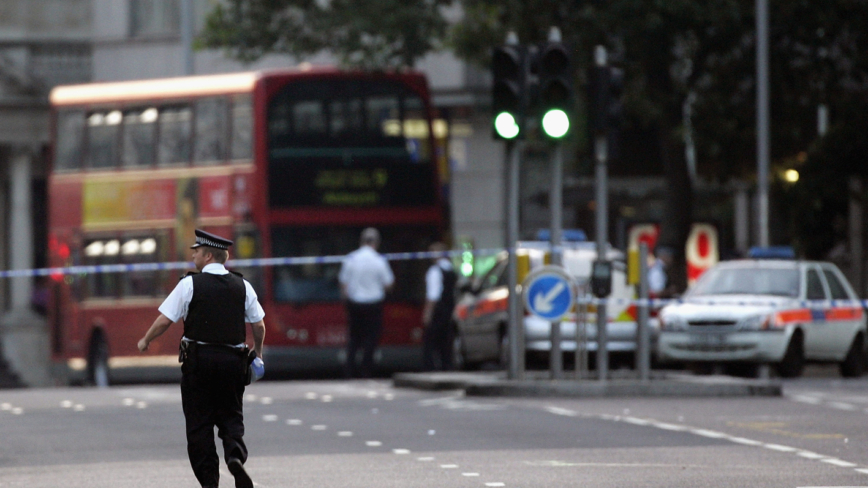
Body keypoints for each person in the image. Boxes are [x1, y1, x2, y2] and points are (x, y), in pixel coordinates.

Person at [137, 229, 265, 488]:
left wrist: (146, 339)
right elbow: (259, 325)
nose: (193, 254)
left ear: (208, 256)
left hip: (199, 362)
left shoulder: (189, 285)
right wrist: (258, 353)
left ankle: (209, 481)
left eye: (196, 251)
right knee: (231, 416)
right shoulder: (243, 286)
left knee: (199, 423)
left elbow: (165, 320)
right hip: (233, 362)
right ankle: (234, 457)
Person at [338, 227, 394, 378]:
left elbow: (343, 284)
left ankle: (349, 371)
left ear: (361, 241)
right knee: (371, 339)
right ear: (376, 242)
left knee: (354, 338)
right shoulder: (379, 260)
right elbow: (388, 283)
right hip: (374, 304)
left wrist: (346, 304)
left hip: (355, 304)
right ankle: (366, 371)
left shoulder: (351, 258)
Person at [422, 242, 458, 371]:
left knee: (429, 342)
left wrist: (427, 314)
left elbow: (433, 296)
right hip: (449, 311)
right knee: (446, 342)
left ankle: (430, 368)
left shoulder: (435, 271)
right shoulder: (451, 270)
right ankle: (447, 367)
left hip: (438, 311)